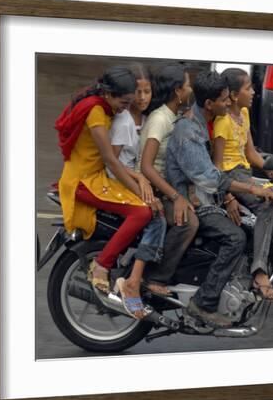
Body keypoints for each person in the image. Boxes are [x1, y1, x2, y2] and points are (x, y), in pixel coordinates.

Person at [165, 70, 273, 328]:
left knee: (246, 228)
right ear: (209, 104)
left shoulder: (204, 121)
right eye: (225, 99)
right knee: (234, 237)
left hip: (206, 197)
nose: (228, 103)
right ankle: (203, 303)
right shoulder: (189, 130)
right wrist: (250, 190)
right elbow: (210, 177)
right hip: (192, 200)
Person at [55, 66, 153, 319]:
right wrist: (139, 192)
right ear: (109, 94)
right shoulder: (97, 112)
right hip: (83, 181)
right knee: (142, 213)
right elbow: (111, 160)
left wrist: (138, 178)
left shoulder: (101, 105)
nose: (125, 107)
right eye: (124, 102)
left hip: (92, 176)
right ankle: (101, 265)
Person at [212, 68, 273, 300]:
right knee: (268, 203)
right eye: (249, 88)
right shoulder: (222, 122)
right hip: (231, 177)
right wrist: (228, 196)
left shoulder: (243, 113)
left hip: (244, 172)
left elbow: (251, 153)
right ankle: (259, 272)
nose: (254, 92)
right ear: (234, 95)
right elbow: (216, 167)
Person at [107, 64, 168, 296]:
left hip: (134, 177)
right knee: (157, 218)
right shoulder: (124, 121)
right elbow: (112, 161)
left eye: (147, 91)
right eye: (138, 92)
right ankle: (135, 279)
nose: (143, 97)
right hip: (118, 179)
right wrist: (140, 177)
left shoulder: (147, 119)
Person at [137, 64, 199, 287]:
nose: (190, 89)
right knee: (188, 222)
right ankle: (155, 278)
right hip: (151, 188)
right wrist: (176, 197)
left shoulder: (175, 117)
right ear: (177, 92)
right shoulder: (160, 119)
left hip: (166, 186)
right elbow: (146, 166)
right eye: (187, 85)